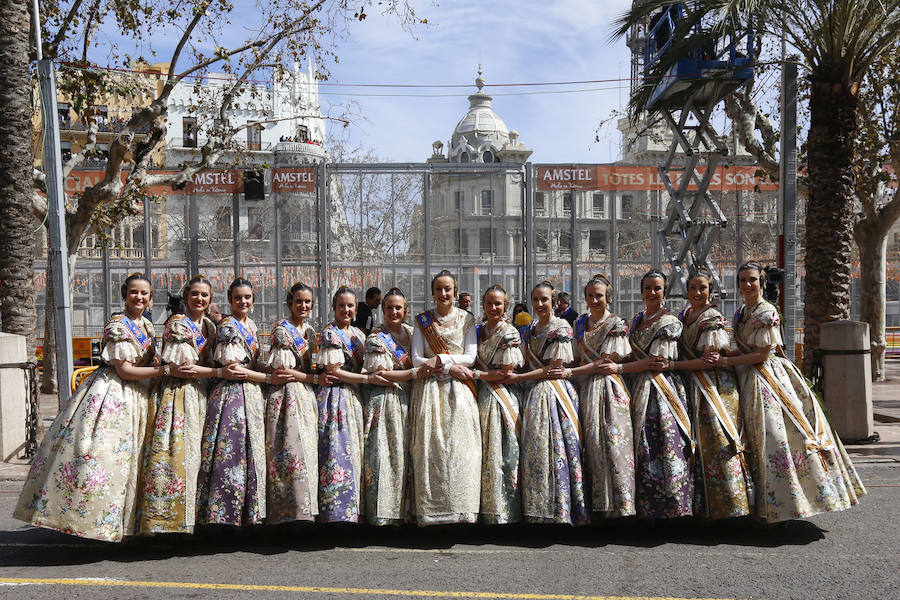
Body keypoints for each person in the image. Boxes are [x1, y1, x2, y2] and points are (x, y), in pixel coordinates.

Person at [15, 273, 161, 541]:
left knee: (130, 462)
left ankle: (126, 525)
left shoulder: (147, 327)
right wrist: (162, 370)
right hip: (113, 395)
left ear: (150, 298)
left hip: (139, 396)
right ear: (124, 295)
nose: (139, 297)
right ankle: (91, 522)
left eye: (144, 293)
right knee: (102, 458)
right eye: (133, 292)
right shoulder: (118, 325)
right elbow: (125, 370)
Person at [717, 261, 866, 523]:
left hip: (766, 380)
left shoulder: (766, 312)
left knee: (775, 438)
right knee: (751, 440)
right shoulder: (741, 311)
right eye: (742, 280)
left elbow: (762, 356)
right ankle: (760, 505)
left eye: (752, 280)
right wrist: (727, 353)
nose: (747, 285)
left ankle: (785, 506)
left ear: (761, 281)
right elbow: (745, 350)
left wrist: (727, 362)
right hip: (745, 377)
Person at [197, 278, 280, 527]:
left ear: (253, 300)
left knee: (250, 455)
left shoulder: (251, 325)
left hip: (251, 394)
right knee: (231, 456)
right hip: (232, 398)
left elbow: (251, 365)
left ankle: (247, 514)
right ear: (230, 300)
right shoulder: (228, 327)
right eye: (238, 298)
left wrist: (270, 369)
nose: (243, 302)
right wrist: (268, 377)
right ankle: (224, 515)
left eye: (247, 297)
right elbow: (235, 369)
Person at [671, 269, 753, 519]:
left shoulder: (712, 317)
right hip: (691, 384)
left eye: (702, 288)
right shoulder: (684, 315)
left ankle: (730, 506)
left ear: (711, 290)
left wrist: (673, 367)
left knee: (718, 443)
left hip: (712, 388)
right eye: (693, 288)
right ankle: (701, 506)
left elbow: (709, 361)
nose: (697, 293)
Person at [139, 275, 219, 534]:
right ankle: (168, 520)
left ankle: (194, 517)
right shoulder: (178, 324)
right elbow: (184, 369)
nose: (199, 299)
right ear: (186, 298)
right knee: (175, 456)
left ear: (210, 300)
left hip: (200, 394)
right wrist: (220, 374)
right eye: (194, 294)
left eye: (204, 295)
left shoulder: (209, 326)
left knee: (198, 458)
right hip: (178, 395)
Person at [507, 281, 587, 525]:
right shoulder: (529, 328)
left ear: (553, 301)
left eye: (545, 300)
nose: (540, 304)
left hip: (554, 396)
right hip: (533, 395)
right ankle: (538, 509)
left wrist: (519, 378)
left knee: (558, 449)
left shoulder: (561, 327)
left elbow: (553, 370)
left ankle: (561, 510)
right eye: (536, 300)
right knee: (536, 452)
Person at [410, 269, 481, 524]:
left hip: (458, 391)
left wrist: (441, 359)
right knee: (430, 449)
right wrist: (449, 365)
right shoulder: (423, 321)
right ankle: (431, 511)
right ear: (432, 292)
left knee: (461, 448)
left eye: (447, 289)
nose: (443, 294)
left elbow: (471, 357)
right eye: (438, 289)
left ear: (455, 291)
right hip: (429, 392)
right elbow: (417, 358)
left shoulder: (466, 320)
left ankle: (462, 507)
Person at [566, 274, 636, 518]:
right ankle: (592, 505)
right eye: (590, 295)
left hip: (608, 390)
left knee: (611, 444)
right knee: (586, 445)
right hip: (583, 388)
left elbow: (603, 364)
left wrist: (570, 371)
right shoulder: (579, 324)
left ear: (609, 297)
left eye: (599, 295)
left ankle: (616, 507)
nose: (594, 300)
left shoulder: (616, 324)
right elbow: (575, 356)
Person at [628, 270, 694, 519]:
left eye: (657, 288)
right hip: (639, 385)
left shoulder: (669, 323)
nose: (652, 292)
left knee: (664, 444)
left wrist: (621, 368)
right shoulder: (636, 319)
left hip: (661, 390)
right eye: (647, 288)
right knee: (642, 447)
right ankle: (644, 507)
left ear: (664, 291)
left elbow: (656, 362)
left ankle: (670, 508)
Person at [263, 283, 328, 524]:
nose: (303, 306)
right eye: (298, 301)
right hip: (286, 397)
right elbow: (285, 371)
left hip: (305, 396)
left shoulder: (310, 332)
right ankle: (285, 513)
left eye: (307, 302)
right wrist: (314, 378)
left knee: (306, 453)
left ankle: (303, 511)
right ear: (290, 303)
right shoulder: (282, 330)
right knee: (287, 454)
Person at [316, 287, 382, 523]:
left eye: (350, 306)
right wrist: (367, 379)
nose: (346, 310)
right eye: (341, 305)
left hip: (355, 397)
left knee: (355, 453)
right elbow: (335, 372)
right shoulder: (329, 334)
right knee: (336, 451)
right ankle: (335, 512)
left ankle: (354, 509)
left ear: (357, 309)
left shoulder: (358, 335)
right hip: (335, 398)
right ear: (334, 307)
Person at [361, 287, 416, 525]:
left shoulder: (415, 334)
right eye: (389, 308)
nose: (394, 312)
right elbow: (382, 375)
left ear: (405, 310)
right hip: (385, 402)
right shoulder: (375, 339)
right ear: (382, 310)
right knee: (384, 455)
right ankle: (382, 513)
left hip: (411, 400)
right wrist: (413, 372)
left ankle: (407, 512)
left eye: (398, 308)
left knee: (409, 457)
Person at [473, 285, 524, 524]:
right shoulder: (476, 331)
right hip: (480, 397)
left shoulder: (510, 333)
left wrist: (476, 375)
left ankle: (505, 511)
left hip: (501, 398)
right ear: (483, 305)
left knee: (504, 454)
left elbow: (506, 373)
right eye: (489, 303)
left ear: (506, 306)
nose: (493, 308)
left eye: (498, 304)